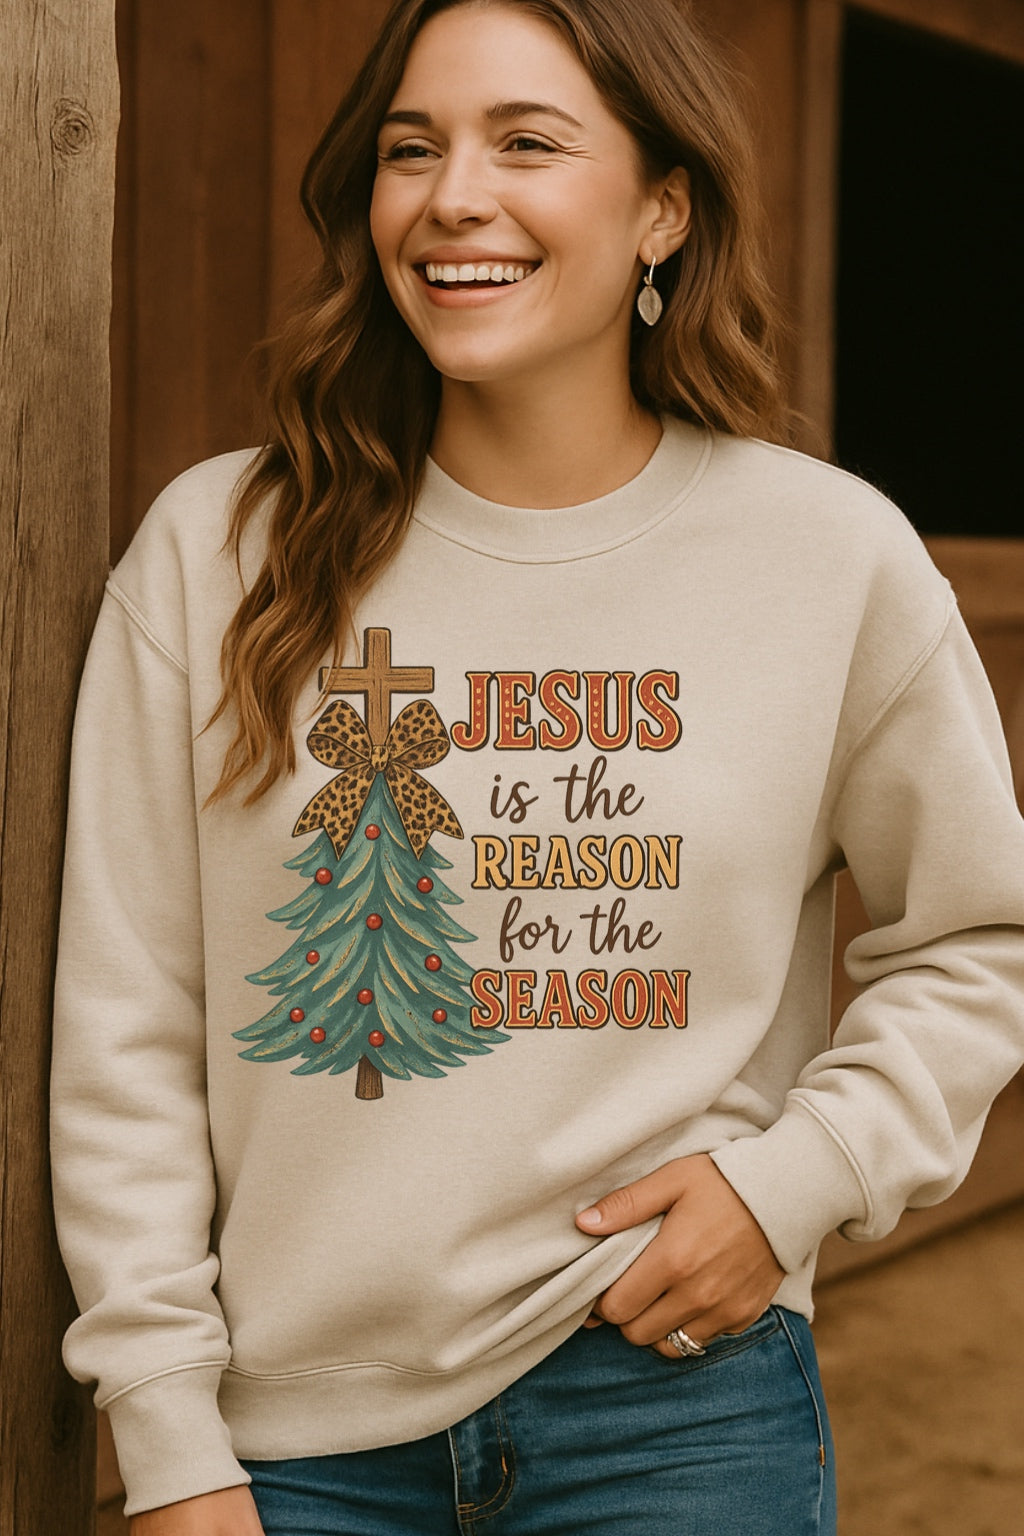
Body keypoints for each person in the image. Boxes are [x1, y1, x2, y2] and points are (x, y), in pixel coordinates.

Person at [50, 1, 1024, 1532]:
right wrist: (169, 1434)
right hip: (295, 1437)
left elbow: (981, 934)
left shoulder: (824, 557)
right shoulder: (215, 553)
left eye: (528, 142)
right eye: (410, 148)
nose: (453, 196)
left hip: (676, 1409)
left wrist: (800, 1177)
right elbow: (127, 1025)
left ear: (662, 208)